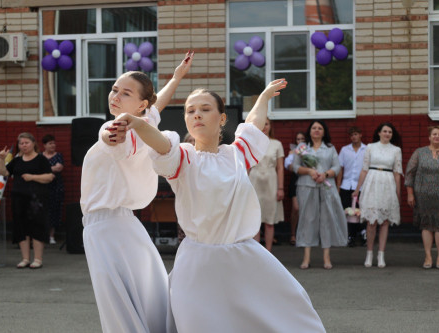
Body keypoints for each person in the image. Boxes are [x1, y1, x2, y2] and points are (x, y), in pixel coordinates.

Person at [112, 80, 325, 332]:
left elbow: (253, 124)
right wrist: (137, 123)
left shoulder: (236, 155)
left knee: (290, 310)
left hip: (243, 258)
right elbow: (160, 143)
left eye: (205, 108)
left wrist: (265, 97)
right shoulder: (183, 157)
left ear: (222, 118)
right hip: (198, 264)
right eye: (190, 111)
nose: (197, 114)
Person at [80, 52, 193, 333]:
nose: (115, 96)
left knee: (118, 302)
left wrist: (111, 134)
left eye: (125, 93)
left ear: (140, 104)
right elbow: (159, 102)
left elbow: (112, 136)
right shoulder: (147, 125)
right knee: (145, 292)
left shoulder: (118, 127)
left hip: (106, 229)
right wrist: (177, 77)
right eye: (115, 89)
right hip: (126, 226)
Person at [292, 120, 347, 270]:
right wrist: (309, 171)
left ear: (324, 132)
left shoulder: (330, 148)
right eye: (314, 128)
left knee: (326, 220)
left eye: (320, 128)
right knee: (308, 220)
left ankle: (326, 257)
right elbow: (295, 166)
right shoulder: (302, 148)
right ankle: (306, 257)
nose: (316, 130)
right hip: (306, 186)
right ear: (309, 131)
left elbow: (337, 167)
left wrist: (326, 174)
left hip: (326, 187)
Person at [0, 133, 54, 269]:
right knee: (21, 228)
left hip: (36, 200)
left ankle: (38, 259)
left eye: (26, 143)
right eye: (21, 143)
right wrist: (1, 159)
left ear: (33, 143)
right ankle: (25, 259)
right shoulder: (17, 161)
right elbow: (4, 173)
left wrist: (32, 177)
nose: (23, 145)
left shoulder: (41, 159)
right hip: (19, 199)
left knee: (36, 227)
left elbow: (50, 177)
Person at [353, 122, 402, 268]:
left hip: (388, 184)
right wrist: (357, 189)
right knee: (371, 222)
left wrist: (398, 193)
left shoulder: (396, 150)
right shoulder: (370, 147)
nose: (387, 134)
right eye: (385, 131)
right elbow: (364, 169)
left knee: (385, 221)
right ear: (379, 133)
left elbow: (397, 173)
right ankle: (369, 253)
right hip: (372, 183)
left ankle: (381, 254)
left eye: (390, 132)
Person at [405, 126, 439, 269]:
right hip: (423, 196)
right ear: (429, 137)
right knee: (426, 226)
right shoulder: (419, 152)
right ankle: (427, 257)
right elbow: (409, 173)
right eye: (435, 134)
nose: (437, 136)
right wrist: (410, 193)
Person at [249, 118, 285, 251]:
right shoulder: (251, 143)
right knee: (255, 221)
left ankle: (268, 253)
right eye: (261, 124)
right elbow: (246, 166)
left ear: (271, 126)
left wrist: (280, 188)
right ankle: (258, 253)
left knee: (270, 220)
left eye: (267, 124)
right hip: (254, 181)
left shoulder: (277, 144)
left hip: (271, 182)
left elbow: (280, 167)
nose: (264, 127)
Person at [336, 126, 367, 247]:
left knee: (361, 211)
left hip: (362, 186)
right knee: (348, 211)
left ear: (360, 135)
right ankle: (351, 235)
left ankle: (363, 233)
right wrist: (338, 187)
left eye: (356, 134)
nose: (354, 137)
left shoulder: (366, 149)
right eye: (352, 135)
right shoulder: (345, 150)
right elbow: (340, 169)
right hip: (346, 185)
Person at [41, 134, 64, 245]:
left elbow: (59, 168)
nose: (53, 145)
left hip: (56, 188)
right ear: (44, 145)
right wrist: (50, 169)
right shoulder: (40, 157)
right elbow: (38, 170)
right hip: (42, 188)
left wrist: (45, 169)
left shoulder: (58, 155)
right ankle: (43, 235)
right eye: (50, 143)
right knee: (43, 211)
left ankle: (51, 235)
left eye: (54, 143)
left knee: (54, 211)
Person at [284, 131, 305, 246]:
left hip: (307, 180)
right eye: (298, 139)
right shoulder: (292, 152)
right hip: (296, 180)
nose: (300, 141)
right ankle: (293, 233)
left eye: (302, 139)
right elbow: (288, 166)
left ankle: (304, 234)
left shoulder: (310, 151)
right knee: (296, 208)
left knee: (306, 209)